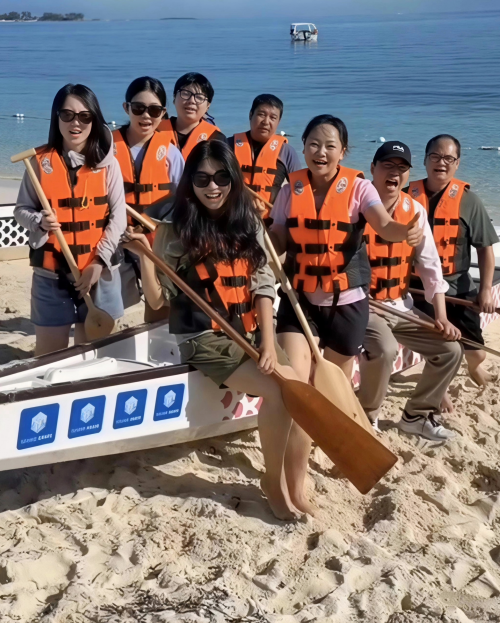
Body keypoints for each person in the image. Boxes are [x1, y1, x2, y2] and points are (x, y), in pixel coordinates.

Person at [121, 140, 313, 521]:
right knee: (279, 392)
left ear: (234, 179)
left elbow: (262, 285)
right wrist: (145, 256)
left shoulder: (247, 222)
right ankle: (272, 483)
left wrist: (269, 343)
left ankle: (297, 484)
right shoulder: (173, 230)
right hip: (203, 337)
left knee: (300, 393)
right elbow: (158, 301)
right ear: (190, 182)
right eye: (202, 178)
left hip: (250, 329)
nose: (213, 187)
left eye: (222, 177)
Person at [269, 115, 422, 498]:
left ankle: (346, 446)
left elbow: (384, 225)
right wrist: (263, 234)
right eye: (313, 144)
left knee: (331, 391)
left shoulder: (359, 189)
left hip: (346, 305)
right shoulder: (290, 190)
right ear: (303, 146)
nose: (320, 152)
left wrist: (406, 231)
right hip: (299, 302)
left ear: (343, 151)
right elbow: (279, 238)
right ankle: (297, 480)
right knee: (300, 389)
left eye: (330, 146)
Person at [357, 141, 463, 441]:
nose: (395, 173)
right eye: (387, 165)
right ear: (373, 169)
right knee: (385, 349)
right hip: (364, 306)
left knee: (450, 350)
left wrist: (441, 317)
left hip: (400, 306)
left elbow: (430, 267)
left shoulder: (414, 210)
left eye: (402, 168)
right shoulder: (355, 207)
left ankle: (416, 416)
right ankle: (367, 416)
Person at [14, 83, 126, 356]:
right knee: (49, 355)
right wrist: (39, 221)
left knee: (90, 354)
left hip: (97, 273)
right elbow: (21, 210)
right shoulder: (38, 162)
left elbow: (119, 218)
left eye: (85, 116)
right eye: (67, 115)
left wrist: (98, 262)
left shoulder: (108, 163)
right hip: (51, 274)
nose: (76, 123)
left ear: (94, 119)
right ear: (56, 117)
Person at [408, 134, 499, 386]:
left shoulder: (469, 201)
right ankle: (440, 389)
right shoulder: (406, 197)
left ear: (457, 163)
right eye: (435, 156)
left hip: (458, 284)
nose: (441, 162)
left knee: (476, 351)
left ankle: (474, 367)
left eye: (449, 158)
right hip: (418, 286)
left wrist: (485, 290)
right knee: (439, 345)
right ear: (425, 160)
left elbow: (485, 249)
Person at [113, 76, 184, 320]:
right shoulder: (106, 149)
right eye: (138, 108)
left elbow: (183, 201)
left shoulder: (170, 153)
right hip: (117, 239)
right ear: (126, 108)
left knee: (158, 310)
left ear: (163, 113)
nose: (146, 116)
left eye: (154, 110)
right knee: (109, 310)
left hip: (157, 242)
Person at [227, 94, 301, 224]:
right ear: (251, 115)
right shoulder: (228, 146)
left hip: (270, 223)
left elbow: (299, 191)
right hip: (232, 220)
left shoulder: (287, 152)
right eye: (261, 114)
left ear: (278, 122)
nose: (266, 122)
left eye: (273, 117)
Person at [159, 72, 226, 160]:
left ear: (208, 106)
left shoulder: (216, 138)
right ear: (174, 98)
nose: (191, 101)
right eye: (185, 93)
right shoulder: (155, 131)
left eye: (199, 97)